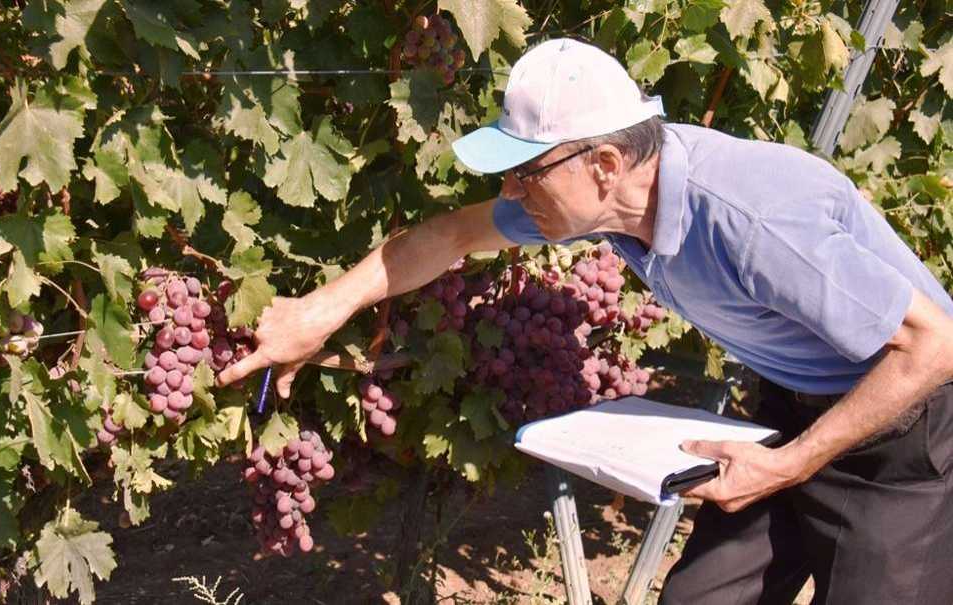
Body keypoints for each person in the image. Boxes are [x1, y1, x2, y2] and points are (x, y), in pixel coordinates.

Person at [217, 38, 953, 603]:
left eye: (526, 172)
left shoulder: (751, 219)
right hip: (792, 405)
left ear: (603, 163)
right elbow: (450, 235)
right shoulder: (613, 204)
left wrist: (792, 464)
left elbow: (935, 345)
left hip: (906, 424)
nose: (512, 190)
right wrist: (319, 312)